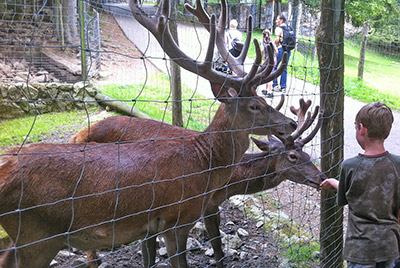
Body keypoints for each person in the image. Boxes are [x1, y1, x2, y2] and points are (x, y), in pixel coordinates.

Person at [320, 102, 400, 268]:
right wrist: (335, 182)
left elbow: (348, 198)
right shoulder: (397, 163)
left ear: (362, 129)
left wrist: (335, 183)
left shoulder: (350, 166)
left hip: (360, 250)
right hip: (390, 246)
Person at [272, 14, 290, 92]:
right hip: (288, 49)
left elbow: (277, 40)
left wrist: (274, 48)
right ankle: (283, 87)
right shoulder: (289, 28)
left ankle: (275, 85)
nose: (276, 21)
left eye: (277, 19)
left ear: (281, 20)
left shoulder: (278, 28)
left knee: (274, 66)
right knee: (284, 68)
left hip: (280, 49)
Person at [260, 29, 278, 98]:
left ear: (263, 35)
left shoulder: (262, 42)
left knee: (268, 75)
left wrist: (263, 58)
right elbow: (276, 51)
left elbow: (262, 50)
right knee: (269, 73)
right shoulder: (272, 41)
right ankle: (266, 89)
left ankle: (270, 91)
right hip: (273, 59)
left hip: (267, 60)